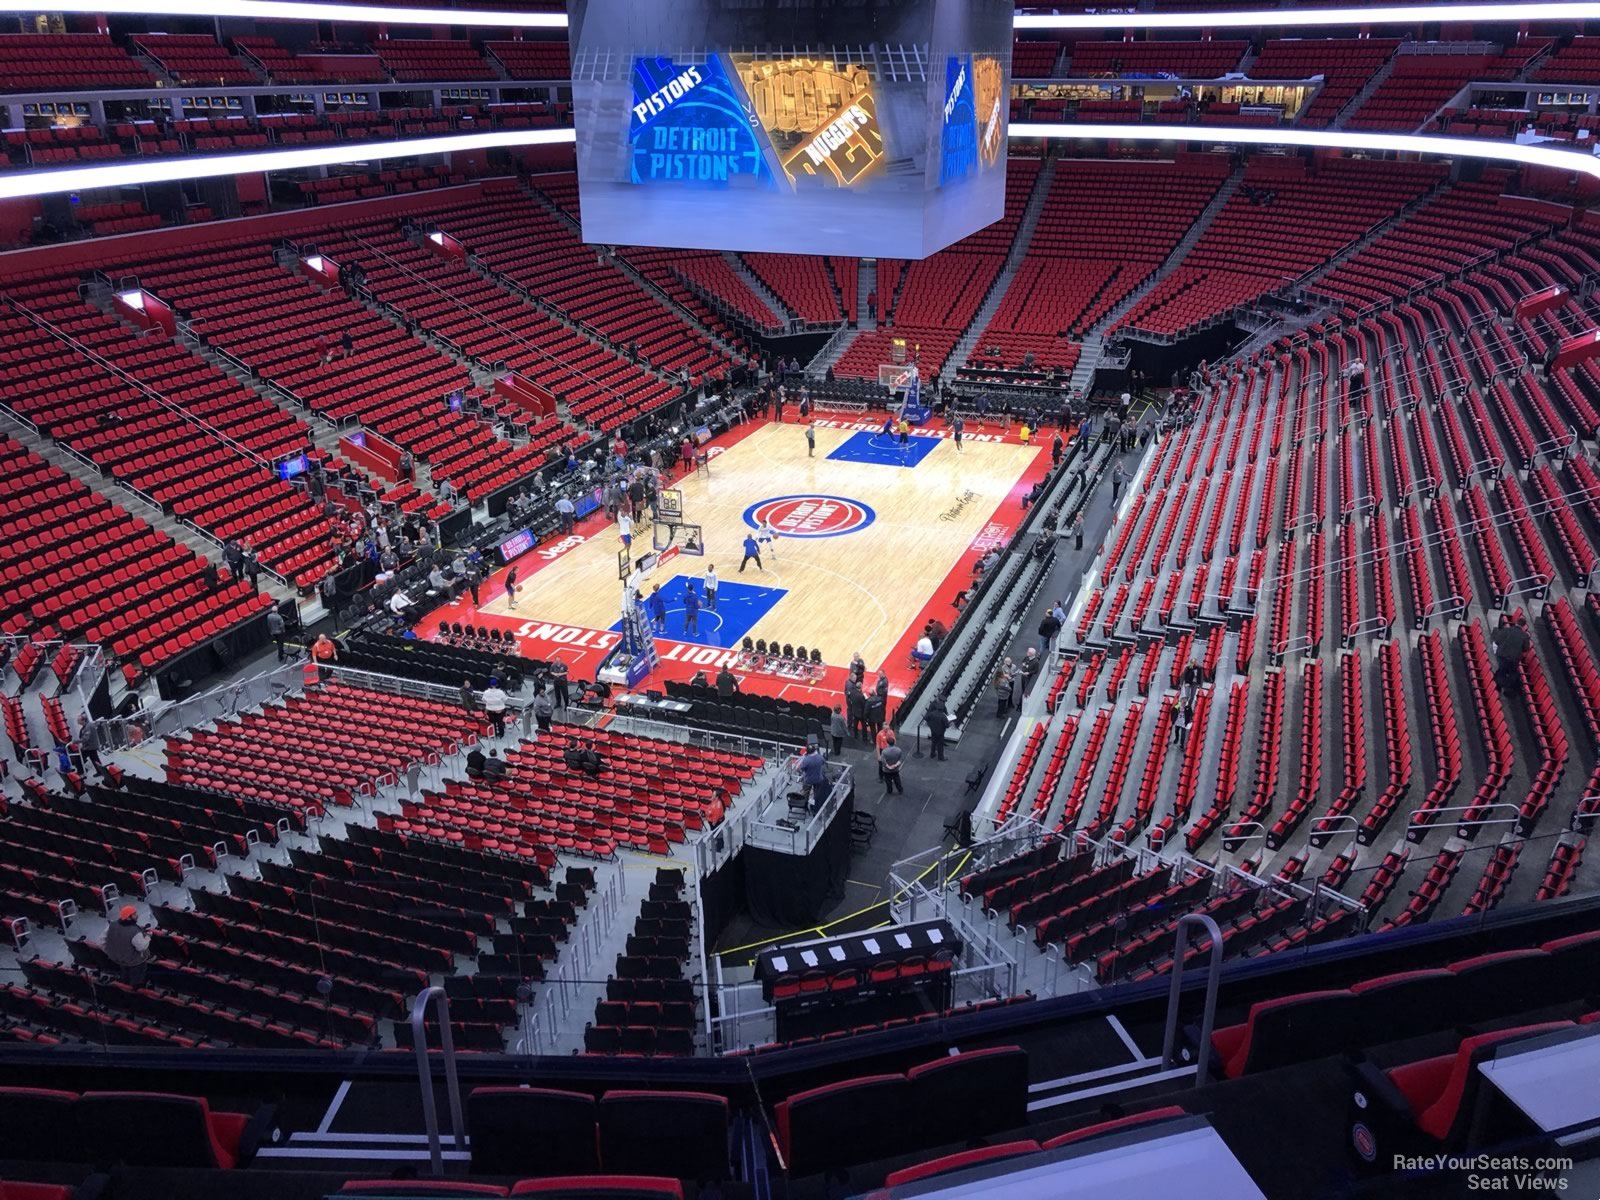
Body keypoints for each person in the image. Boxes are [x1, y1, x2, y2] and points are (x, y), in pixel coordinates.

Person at [104, 905, 152, 986]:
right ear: (129, 917)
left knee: (125, 978)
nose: (137, 915)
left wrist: (111, 951)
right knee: (137, 982)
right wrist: (148, 937)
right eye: (134, 914)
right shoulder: (134, 932)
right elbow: (142, 947)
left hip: (120, 959)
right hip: (136, 963)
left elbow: (101, 941)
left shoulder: (112, 925)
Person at [1491, 615, 1531, 692]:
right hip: (1514, 658)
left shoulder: (1506, 630)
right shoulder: (1524, 636)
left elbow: (1497, 641)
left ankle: (1498, 686)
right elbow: (1526, 648)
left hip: (1502, 655)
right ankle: (1508, 689)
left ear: (1516, 622)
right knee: (1512, 673)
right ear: (1524, 626)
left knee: (1502, 670)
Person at [798, 743, 830, 811]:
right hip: (818, 779)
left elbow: (801, 768)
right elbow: (824, 763)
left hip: (808, 780)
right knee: (817, 794)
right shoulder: (820, 757)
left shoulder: (806, 760)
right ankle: (816, 807)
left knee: (806, 793)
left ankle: (805, 806)